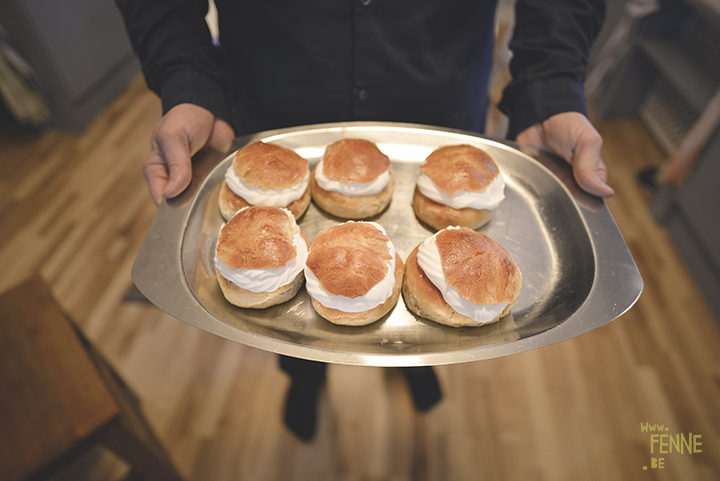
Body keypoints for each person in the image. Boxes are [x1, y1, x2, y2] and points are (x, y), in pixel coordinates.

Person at [116, 0, 613, 442]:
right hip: (276, 99)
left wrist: (550, 87)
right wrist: (188, 82)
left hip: (436, 97)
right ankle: (303, 377)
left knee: (454, 311)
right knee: (293, 322)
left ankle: (420, 366)